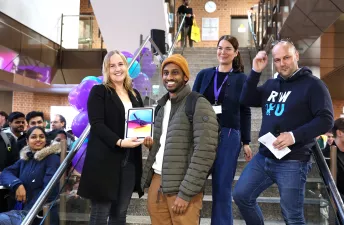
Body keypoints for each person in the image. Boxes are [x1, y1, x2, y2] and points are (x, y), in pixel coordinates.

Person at [233, 40, 334, 224]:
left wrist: (293, 136)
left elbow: (326, 119)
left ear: (296, 56)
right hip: (264, 157)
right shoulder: (271, 84)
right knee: (241, 195)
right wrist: (255, 71)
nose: (282, 63)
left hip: (293, 161)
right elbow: (246, 98)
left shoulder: (313, 85)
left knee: (292, 217)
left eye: (286, 57)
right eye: (277, 60)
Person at [141, 54, 218, 225]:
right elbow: (168, 143)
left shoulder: (198, 104)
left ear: (185, 76)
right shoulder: (162, 106)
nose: (169, 77)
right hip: (158, 183)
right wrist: (151, 145)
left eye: (175, 72)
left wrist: (186, 193)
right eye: (166, 73)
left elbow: (205, 152)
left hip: (182, 186)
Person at [77, 50, 145, 225]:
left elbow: (140, 125)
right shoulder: (99, 91)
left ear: (126, 67)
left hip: (130, 161)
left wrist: (146, 137)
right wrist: (120, 142)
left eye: (120, 64)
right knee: (101, 213)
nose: (117, 69)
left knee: (120, 214)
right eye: (112, 65)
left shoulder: (134, 94)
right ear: (106, 69)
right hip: (105, 160)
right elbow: (97, 124)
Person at [192, 35, 252, 225]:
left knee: (222, 187)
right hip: (203, 135)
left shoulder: (242, 79)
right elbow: (192, 103)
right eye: (220, 48)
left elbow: (245, 111)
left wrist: (247, 142)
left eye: (228, 49)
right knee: (194, 183)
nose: (223, 52)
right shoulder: (204, 75)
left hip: (229, 135)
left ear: (235, 53)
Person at [0, 126, 61, 224]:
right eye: (33, 137)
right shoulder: (25, 160)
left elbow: (49, 191)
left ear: (46, 140)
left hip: (39, 214)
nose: (38, 139)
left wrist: (28, 211)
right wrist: (17, 185)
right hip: (23, 212)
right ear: (27, 141)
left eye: (41, 136)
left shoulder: (52, 159)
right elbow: (6, 173)